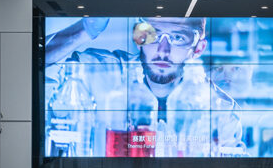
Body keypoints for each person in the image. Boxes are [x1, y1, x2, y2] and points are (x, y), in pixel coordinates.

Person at [44, 17, 242, 157]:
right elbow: (29, 64)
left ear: (198, 48)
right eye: (154, 35)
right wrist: (84, 29)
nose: (163, 51)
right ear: (140, 37)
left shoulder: (218, 107)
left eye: (179, 38)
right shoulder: (101, 71)